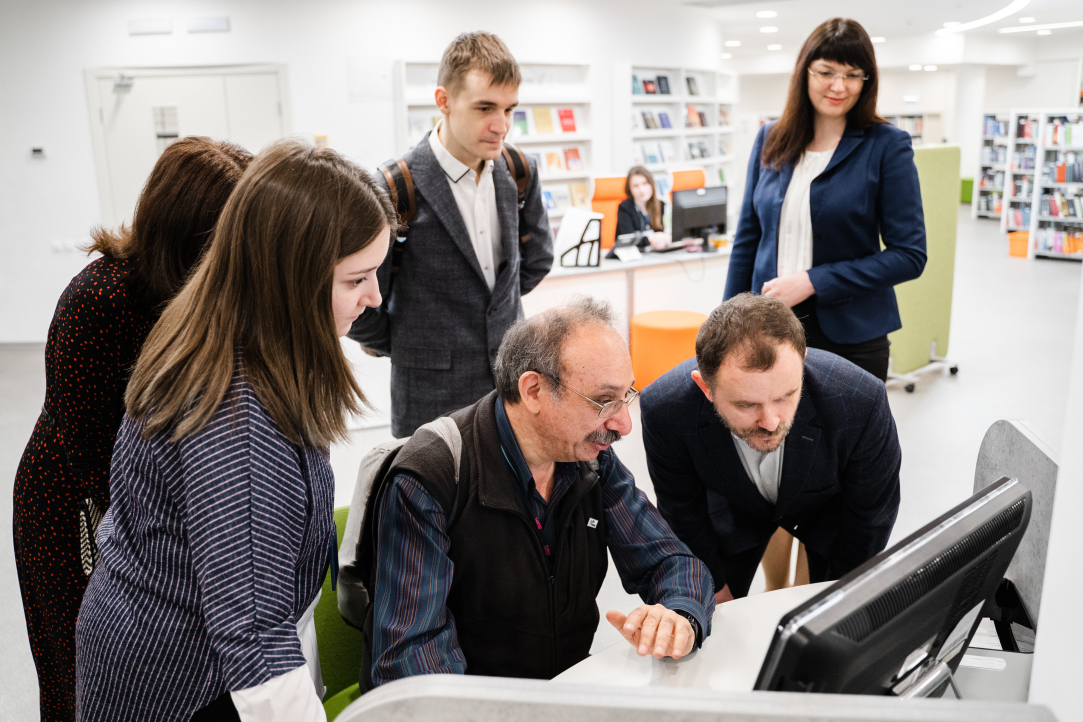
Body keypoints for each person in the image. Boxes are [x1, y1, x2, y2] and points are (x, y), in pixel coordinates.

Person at [75, 140, 396, 722]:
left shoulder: (232, 325)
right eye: (357, 279)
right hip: (184, 683)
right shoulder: (236, 419)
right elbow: (254, 639)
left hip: (174, 646)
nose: (374, 298)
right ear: (290, 278)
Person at [12, 136, 252, 722]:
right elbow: (97, 458)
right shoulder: (99, 300)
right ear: (191, 233)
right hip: (74, 501)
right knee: (82, 666)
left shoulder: (207, 294)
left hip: (148, 495)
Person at [366, 297, 714, 687]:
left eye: (626, 395)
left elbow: (672, 562)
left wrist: (678, 617)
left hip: (563, 696)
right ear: (533, 390)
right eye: (604, 401)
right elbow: (412, 660)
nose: (623, 424)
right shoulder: (433, 475)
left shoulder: (590, 461)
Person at [348, 31, 554, 438]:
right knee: (432, 501)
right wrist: (407, 343)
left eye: (510, 109)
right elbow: (356, 299)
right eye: (485, 108)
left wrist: (498, 319)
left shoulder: (519, 170)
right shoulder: (392, 185)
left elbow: (537, 261)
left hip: (511, 384)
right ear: (443, 101)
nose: (501, 126)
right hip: (429, 393)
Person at [640, 294, 901, 605]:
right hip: (732, 505)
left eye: (785, 396)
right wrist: (714, 587)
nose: (770, 421)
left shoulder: (861, 400)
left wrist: (835, 601)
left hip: (827, 505)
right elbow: (682, 510)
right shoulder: (665, 409)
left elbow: (869, 519)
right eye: (746, 404)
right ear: (705, 387)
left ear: (802, 362)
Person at [724, 18, 927, 383]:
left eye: (853, 74)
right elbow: (748, 239)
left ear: (867, 80)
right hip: (765, 329)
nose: (838, 86)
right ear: (805, 72)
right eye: (826, 72)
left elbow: (910, 255)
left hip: (851, 337)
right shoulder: (770, 137)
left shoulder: (886, 145)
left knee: (845, 440)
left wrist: (814, 281)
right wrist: (725, 321)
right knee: (767, 437)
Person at [615, 166, 670, 250]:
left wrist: (662, 241)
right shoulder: (624, 208)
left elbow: (664, 233)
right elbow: (628, 240)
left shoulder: (660, 204)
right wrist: (651, 238)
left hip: (655, 253)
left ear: (651, 184)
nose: (642, 190)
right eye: (636, 186)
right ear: (630, 189)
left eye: (645, 183)